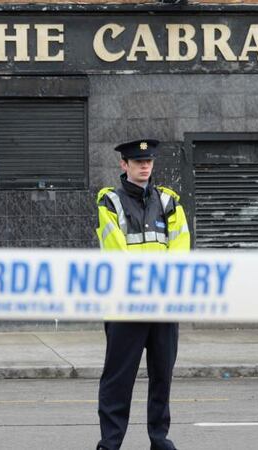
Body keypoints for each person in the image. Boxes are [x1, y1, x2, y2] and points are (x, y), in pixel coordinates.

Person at [94, 139, 190, 450]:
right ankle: (110, 442)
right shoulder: (110, 202)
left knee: (162, 376)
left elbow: (180, 248)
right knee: (118, 379)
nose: (144, 166)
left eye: (147, 161)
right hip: (127, 303)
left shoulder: (169, 201)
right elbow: (115, 250)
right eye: (137, 162)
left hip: (163, 304)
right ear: (124, 165)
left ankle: (159, 440)